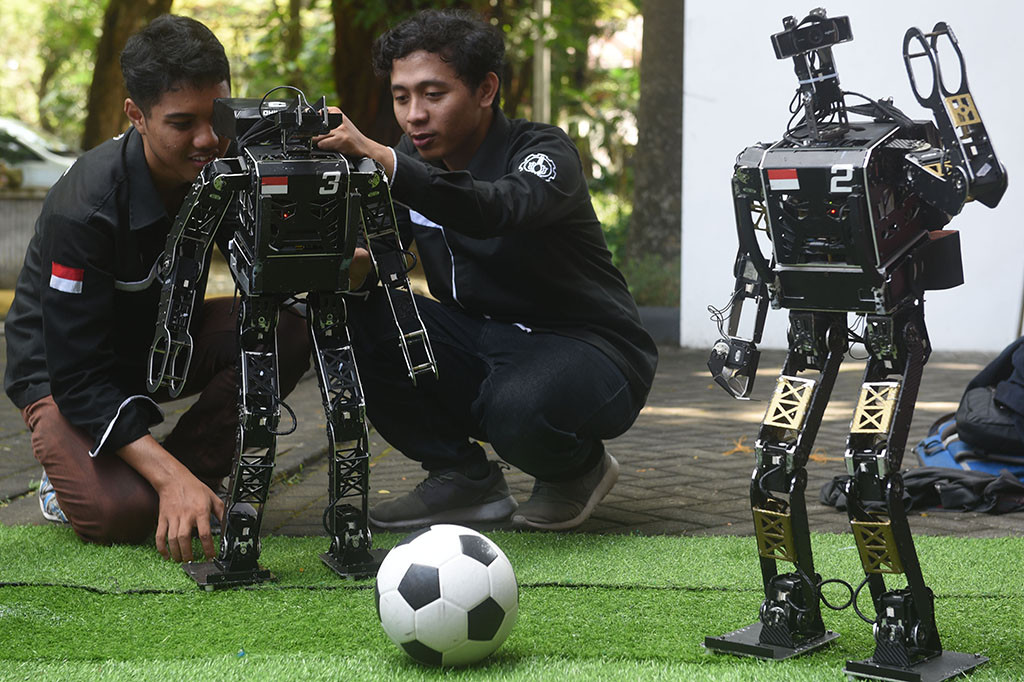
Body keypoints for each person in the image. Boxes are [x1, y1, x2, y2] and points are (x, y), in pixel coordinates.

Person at [315, 9, 658, 531]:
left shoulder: (543, 152)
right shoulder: (410, 162)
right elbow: (381, 252)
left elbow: (499, 208)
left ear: (485, 90)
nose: (414, 115)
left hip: (590, 346)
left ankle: (577, 470)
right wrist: (341, 265)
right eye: (402, 96)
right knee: (355, 310)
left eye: (433, 94)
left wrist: (386, 162)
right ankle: (461, 475)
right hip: (481, 340)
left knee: (514, 406)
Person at [3, 15, 310, 562]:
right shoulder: (85, 207)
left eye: (216, 117)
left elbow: (271, 273)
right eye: (181, 122)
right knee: (119, 516)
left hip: (159, 345)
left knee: (283, 330)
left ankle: (181, 475)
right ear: (136, 116)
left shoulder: (225, 167)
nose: (207, 139)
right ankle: (133, 481)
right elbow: (76, 374)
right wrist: (164, 480)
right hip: (64, 370)